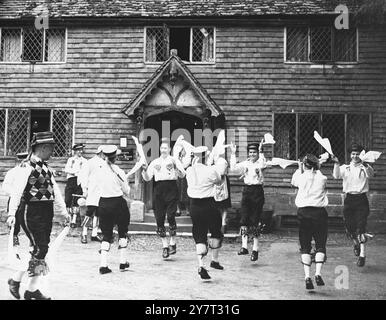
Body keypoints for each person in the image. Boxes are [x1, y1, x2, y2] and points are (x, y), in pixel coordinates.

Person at [6, 131, 70, 300]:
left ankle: (30, 289)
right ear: (43, 147)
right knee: (40, 248)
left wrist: (64, 212)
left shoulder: (46, 168)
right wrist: (11, 213)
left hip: (46, 211)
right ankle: (18, 281)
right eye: (51, 148)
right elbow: (16, 191)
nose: (52, 152)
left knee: (40, 249)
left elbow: (55, 191)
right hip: (30, 211)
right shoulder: (25, 167)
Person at [141, 138, 185, 259]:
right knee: (159, 218)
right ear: (159, 149)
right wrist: (144, 170)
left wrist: (177, 168)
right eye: (162, 148)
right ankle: (165, 246)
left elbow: (182, 175)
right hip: (159, 190)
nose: (163, 150)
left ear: (170, 149)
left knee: (171, 216)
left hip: (171, 188)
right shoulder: (155, 162)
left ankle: (173, 242)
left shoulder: (174, 160)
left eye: (165, 148)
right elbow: (147, 177)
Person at [332, 143, 374, 267]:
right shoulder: (345, 167)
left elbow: (371, 174)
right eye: (353, 154)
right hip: (349, 199)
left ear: (362, 155)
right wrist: (336, 163)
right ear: (350, 155)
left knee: (361, 227)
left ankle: (362, 255)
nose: (355, 156)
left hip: (361, 200)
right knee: (350, 228)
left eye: (357, 154)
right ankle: (355, 243)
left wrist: (366, 165)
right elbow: (336, 175)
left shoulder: (365, 167)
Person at [291, 154, 328, 290]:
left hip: (304, 213)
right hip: (319, 213)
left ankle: (307, 277)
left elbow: (294, 182)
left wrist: (298, 168)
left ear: (304, 165)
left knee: (305, 244)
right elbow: (317, 174)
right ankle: (318, 273)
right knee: (320, 243)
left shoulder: (300, 177)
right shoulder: (323, 178)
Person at [185, 149, 224, 280]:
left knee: (199, 232)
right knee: (215, 230)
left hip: (194, 206)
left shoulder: (189, 171)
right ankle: (214, 259)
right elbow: (219, 181)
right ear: (206, 156)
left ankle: (201, 265)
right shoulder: (210, 170)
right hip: (209, 204)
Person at [230, 140, 268, 262]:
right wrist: (233, 153)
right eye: (250, 152)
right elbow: (234, 168)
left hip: (257, 192)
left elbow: (262, 165)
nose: (252, 154)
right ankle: (244, 246)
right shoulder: (246, 163)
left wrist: (262, 151)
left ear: (258, 153)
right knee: (244, 218)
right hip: (247, 191)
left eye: (254, 152)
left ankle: (255, 249)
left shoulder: (261, 162)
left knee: (255, 220)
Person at [95, 145, 131, 274]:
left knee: (106, 234)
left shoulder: (98, 171)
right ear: (115, 157)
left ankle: (103, 265)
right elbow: (127, 191)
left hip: (103, 203)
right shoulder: (119, 171)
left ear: (104, 156)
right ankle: (122, 262)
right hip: (117, 203)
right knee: (122, 231)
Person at [2, 152, 29, 251]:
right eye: (21, 161)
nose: (23, 163)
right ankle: (14, 244)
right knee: (14, 222)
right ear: (17, 161)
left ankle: (32, 244)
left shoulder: (30, 172)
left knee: (28, 222)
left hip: (28, 200)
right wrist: (16, 193)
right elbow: (5, 186)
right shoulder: (12, 172)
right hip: (15, 199)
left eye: (25, 160)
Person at [78, 146, 105, 244]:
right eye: (104, 153)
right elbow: (84, 176)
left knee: (98, 213)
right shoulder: (90, 162)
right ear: (100, 152)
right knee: (89, 213)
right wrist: (84, 190)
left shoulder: (104, 162)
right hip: (92, 192)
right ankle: (84, 233)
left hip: (101, 193)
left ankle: (94, 234)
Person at [64, 143, 86, 228]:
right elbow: (67, 169)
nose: (80, 151)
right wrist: (75, 171)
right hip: (71, 181)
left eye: (81, 150)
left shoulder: (84, 161)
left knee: (77, 200)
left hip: (80, 181)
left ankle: (74, 220)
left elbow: (84, 172)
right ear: (75, 151)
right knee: (68, 199)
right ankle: (68, 219)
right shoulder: (71, 160)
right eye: (78, 150)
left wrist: (77, 172)